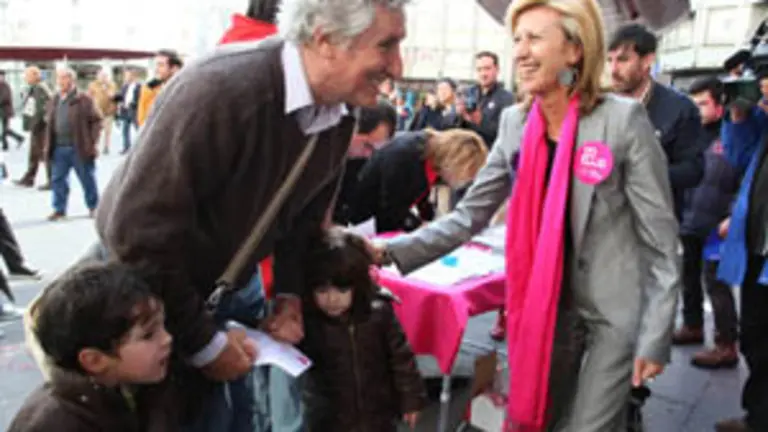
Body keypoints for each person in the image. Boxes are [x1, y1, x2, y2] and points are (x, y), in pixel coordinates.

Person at [92, 0, 408, 429]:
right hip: (140, 311)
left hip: (218, 297)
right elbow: (135, 234)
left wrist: (289, 297)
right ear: (326, 41)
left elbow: (302, 227)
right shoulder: (221, 89)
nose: (398, 66)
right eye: (386, 45)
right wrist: (204, 343)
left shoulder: (340, 115)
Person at [374, 0, 680, 429]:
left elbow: (662, 241)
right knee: (535, 417)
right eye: (516, 39)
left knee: (588, 425)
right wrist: (388, 251)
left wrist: (656, 333)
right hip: (544, 306)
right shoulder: (516, 124)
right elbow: (469, 215)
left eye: (534, 37)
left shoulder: (622, 121)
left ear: (574, 50)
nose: (519, 51)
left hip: (611, 314)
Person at [8, 261, 176, 431]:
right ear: (95, 360)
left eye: (163, 326)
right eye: (148, 335)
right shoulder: (54, 424)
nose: (167, 338)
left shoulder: (135, 386)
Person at [301, 228, 426, 431]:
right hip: (331, 420)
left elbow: (401, 358)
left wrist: (411, 399)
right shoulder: (312, 321)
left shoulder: (378, 312)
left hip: (379, 413)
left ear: (357, 285)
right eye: (322, 290)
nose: (332, 299)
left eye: (342, 290)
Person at [674, 77, 741, 368]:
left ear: (719, 104)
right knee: (688, 276)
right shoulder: (690, 135)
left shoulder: (735, 135)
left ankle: (726, 344)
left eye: (703, 103)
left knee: (716, 283)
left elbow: (748, 180)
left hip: (718, 224)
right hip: (689, 218)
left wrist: (734, 216)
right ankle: (693, 326)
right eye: (694, 103)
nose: (697, 109)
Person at [607, 23, 705, 220]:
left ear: (647, 61)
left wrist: (640, 174)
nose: (613, 69)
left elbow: (693, 171)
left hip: (654, 225)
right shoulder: (600, 105)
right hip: (607, 224)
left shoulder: (679, 109)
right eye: (610, 60)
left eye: (623, 60)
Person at [349, 128, 487, 233]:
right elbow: (392, 207)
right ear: (454, 160)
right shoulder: (405, 156)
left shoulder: (431, 157)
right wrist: (420, 227)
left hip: (385, 218)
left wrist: (430, 219)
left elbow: (421, 195)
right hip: (363, 220)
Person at [44, 67, 102, 221]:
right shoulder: (54, 100)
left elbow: (97, 120)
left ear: (72, 80)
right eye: (59, 78)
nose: (60, 81)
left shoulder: (83, 99)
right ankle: (59, 209)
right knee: (58, 180)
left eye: (64, 78)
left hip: (79, 147)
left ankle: (94, 207)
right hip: (58, 148)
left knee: (87, 179)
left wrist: (92, 142)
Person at [333, 100, 398, 226]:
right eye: (367, 145)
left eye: (375, 151)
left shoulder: (361, 162)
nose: (368, 155)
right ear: (352, 128)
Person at [14, 66, 52, 189]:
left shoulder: (40, 88)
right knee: (34, 154)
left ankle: (51, 180)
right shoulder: (35, 88)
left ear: (35, 76)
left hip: (41, 127)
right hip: (37, 126)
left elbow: (40, 109)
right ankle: (29, 178)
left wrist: (35, 125)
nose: (25, 78)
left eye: (27, 75)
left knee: (44, 153)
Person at [136, 50, 183, 128]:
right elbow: (143, 119)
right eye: (156, 65)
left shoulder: (185, 90)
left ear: (174, 68)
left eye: (161, 65)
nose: (156, 69)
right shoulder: (150, 88)